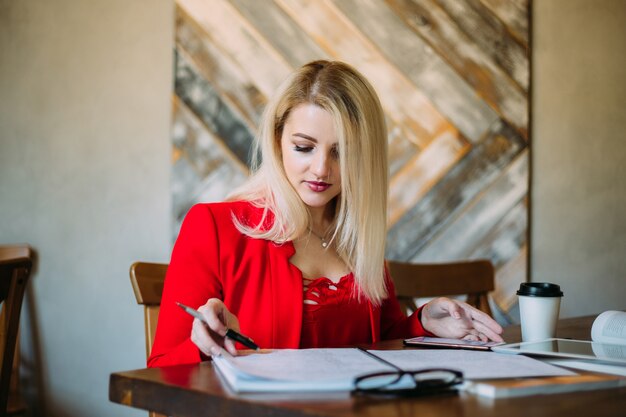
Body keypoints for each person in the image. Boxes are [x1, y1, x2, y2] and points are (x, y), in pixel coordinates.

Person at [148, 60, 502, 367]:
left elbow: (380, 340)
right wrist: (204, 344)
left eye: (342, 153)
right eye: (304, 147)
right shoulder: (213, 227)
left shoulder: (356, 235)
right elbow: (162, 367)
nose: (321, 169)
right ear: (277, 142)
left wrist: (425, 322)